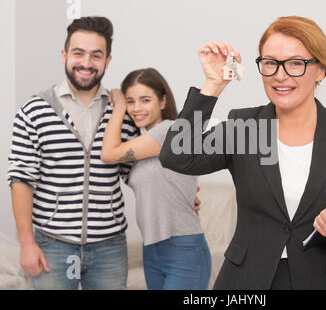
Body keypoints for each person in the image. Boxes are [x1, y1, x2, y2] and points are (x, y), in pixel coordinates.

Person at [159, 16, 326, 290]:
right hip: (247, 282)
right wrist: (213, 84)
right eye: (270, 63)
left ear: (321, 70)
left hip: (324, 281)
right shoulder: (245, 128)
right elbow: (176, 155)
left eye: (296, 63)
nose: (280, 75)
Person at [7, 16, 201, 290]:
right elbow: (21, 178)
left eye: (96, 55)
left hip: (109, 246)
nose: (86, 63)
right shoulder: (34, 110)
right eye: (78, 53)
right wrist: (26, 243)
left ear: (107, 60)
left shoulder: (123, 111)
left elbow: (137, 169)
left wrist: (181, 193)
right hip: (52, 244)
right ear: (64, 55)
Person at [100, 68, 211, 290]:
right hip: (152, 248)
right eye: (130, 101)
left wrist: (119, 107)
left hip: (183, 247)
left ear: (162, 102)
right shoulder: (142, 146)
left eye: (145, 100)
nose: (136, 108)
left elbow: (108, 154)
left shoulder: (168, 130)